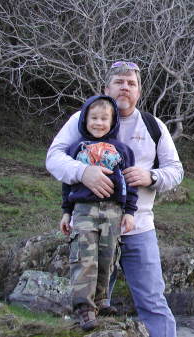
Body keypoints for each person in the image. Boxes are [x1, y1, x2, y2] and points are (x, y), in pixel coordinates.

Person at [47, 61, 183, 337]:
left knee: (153, 302)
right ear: (106, 87)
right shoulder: (85, 118)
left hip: (137, 227)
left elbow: (176, 171)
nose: (125, 87)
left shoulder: (153, 126)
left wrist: (151, 177)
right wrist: (84, 172)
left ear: (139, 91)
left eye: (131, 83)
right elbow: (54, 158)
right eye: (119, 82)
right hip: (89, 226)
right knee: (89, 306)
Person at [59, 94, 138, 331]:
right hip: (83, 211)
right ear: (85, 119)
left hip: (113, 212)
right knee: (84, 259)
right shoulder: (75, 149)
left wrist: (130, 211)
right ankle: (84, 308)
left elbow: (130, 183)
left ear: (113, 122)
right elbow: (67, 183)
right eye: (94, 118)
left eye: (104, 119)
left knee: (107, 258)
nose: (99, 123)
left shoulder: (123, 150)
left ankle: (102, 301)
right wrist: (66, 212)